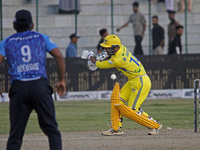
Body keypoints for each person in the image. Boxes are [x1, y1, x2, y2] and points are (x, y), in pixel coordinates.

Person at [0, 9, 66, 150]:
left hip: (19, 88)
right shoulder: (42, 38)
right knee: (52, 130)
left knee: (15, 135)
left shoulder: (6, 42)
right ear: (32, 25)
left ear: (14, 25)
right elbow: (59, 56)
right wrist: (61, 79)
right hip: (39, 87)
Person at [81, 35, 162, 136]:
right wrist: (96, 58)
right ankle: (116, 128)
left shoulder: (118, 59)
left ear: (115, 47)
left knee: (132, 110)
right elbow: (107, 53)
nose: (106, 49)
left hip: (141, 82)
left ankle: (154, 125)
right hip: (133, 80)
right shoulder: (121, 47)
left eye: (108, 47)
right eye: (105, 47)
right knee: (117, 100)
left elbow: (101, 65)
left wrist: (90, 57)